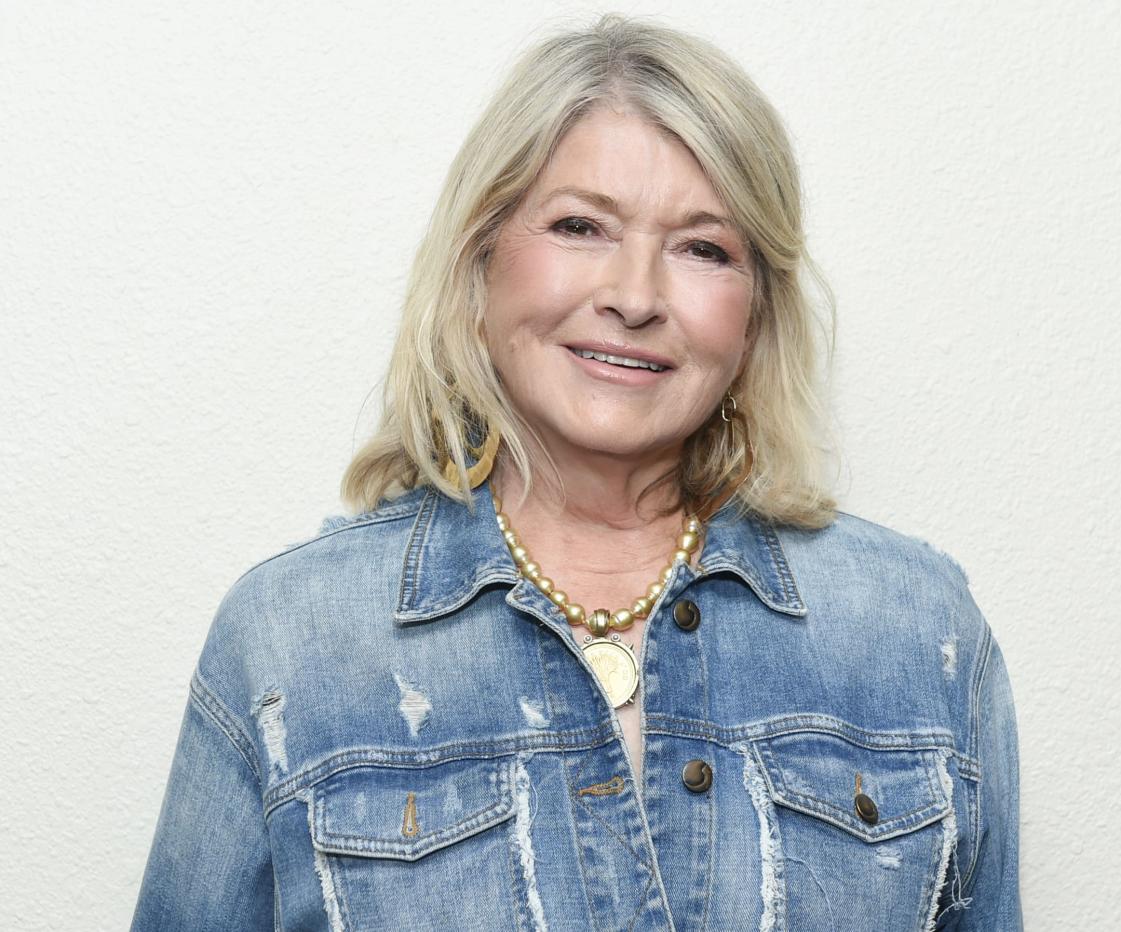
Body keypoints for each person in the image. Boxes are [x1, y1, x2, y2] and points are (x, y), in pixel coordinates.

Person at [132, 14, 1021, 931]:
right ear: (480, 270)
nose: (634, 296)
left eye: (703, 247)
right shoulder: (293, 642)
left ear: (753, 317)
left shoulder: (917, 635)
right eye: (580, 226)